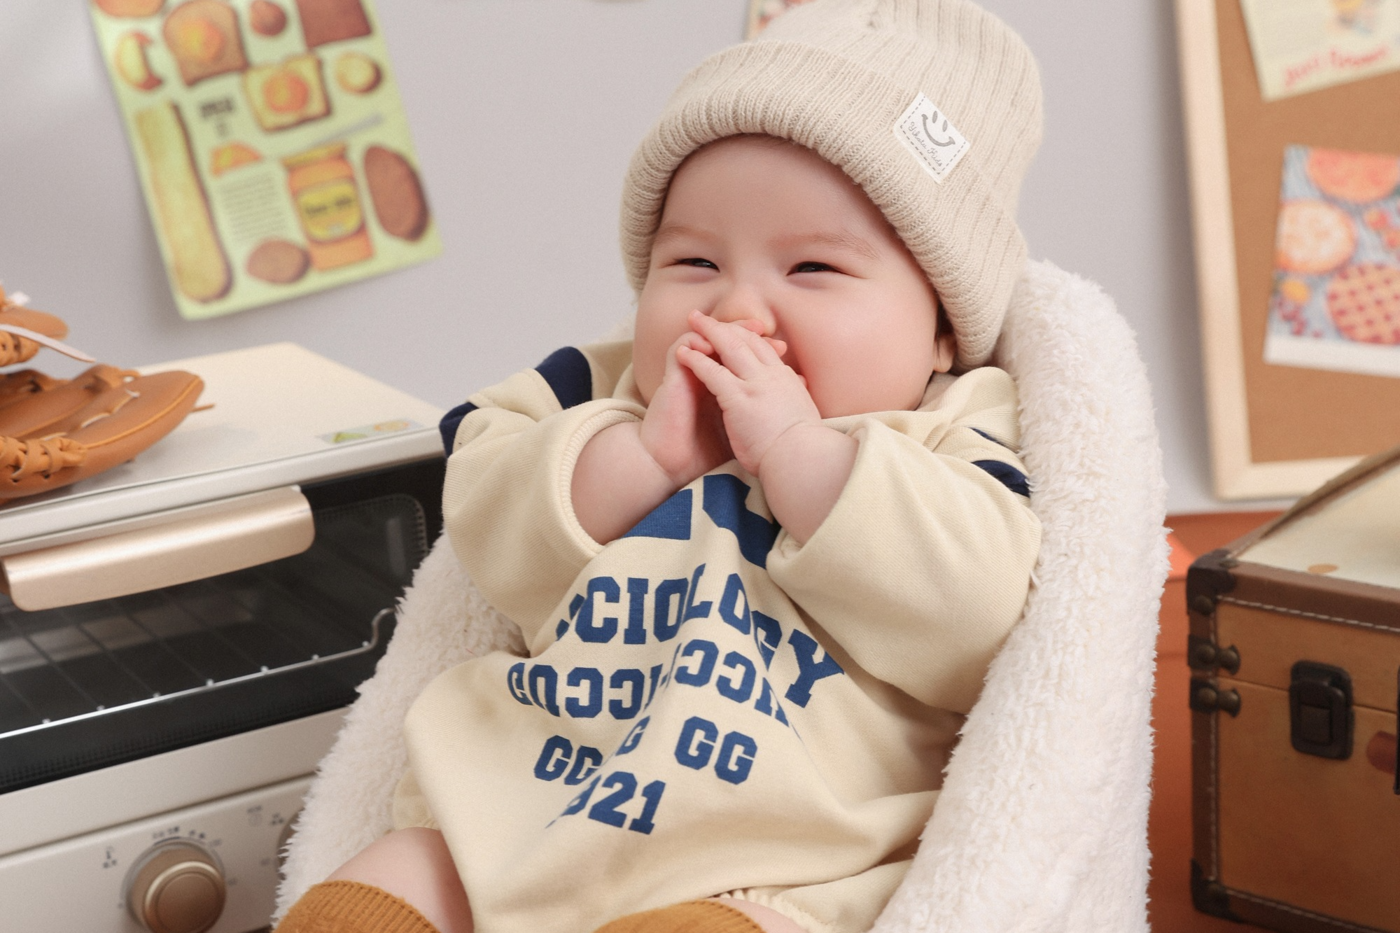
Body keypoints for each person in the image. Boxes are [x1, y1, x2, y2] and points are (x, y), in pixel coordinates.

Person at [275, 1, 1043, 931]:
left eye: (813, 269)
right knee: (360, 904)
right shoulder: (602, 392)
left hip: (777, 863)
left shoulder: (953, 426)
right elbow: (481, 507)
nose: (738, 310)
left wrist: (804, 458)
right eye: (692, 263)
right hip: (518, 808)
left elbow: (981, 615)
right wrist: (640, 458)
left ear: (941, 330)